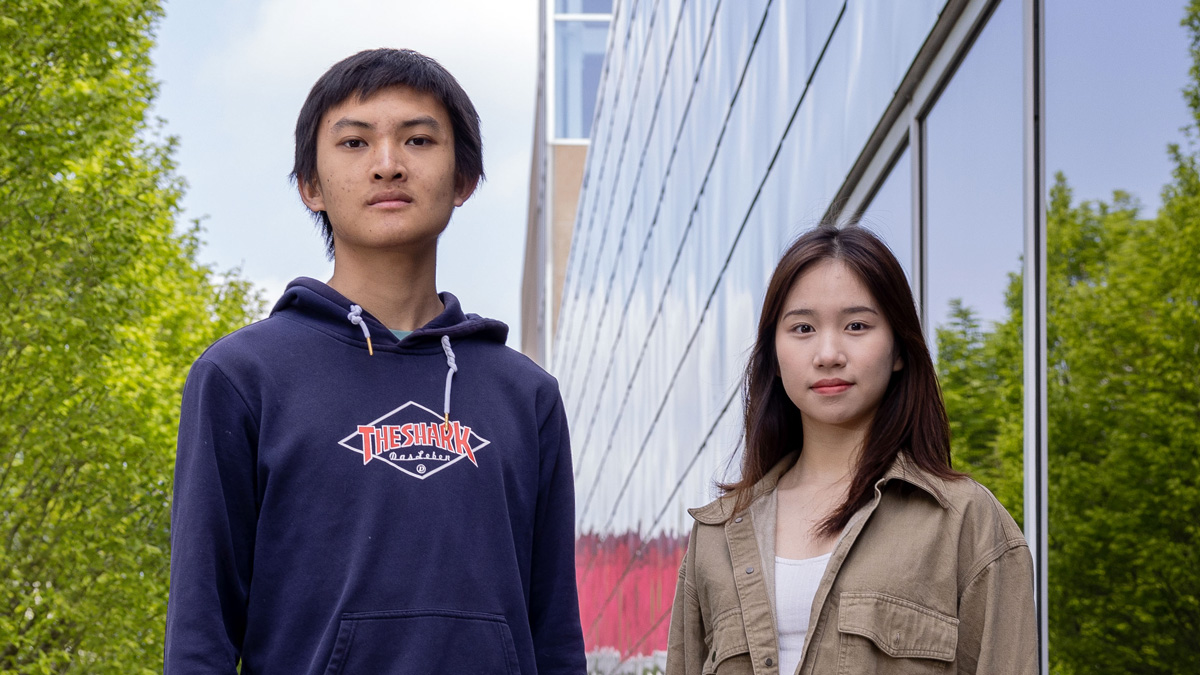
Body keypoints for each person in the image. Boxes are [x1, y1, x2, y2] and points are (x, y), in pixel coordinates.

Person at [164, 48, 586, 674]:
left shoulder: (525, 395)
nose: (388, 165)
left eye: (418, 140)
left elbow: (555, 636)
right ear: (311, 186)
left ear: (464, 179)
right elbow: (199, 633)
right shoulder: (242, 376)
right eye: (355, 144)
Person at [665, 225, 1036, 674]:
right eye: (802, 328)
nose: (828, 353)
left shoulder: (965, 523)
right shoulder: (715, 537)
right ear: (775, 357)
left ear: (899, 348)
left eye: (856, 326)